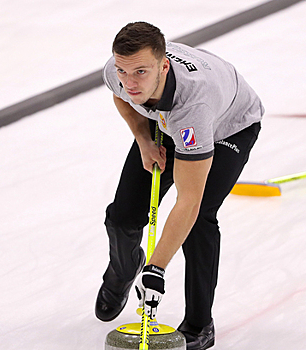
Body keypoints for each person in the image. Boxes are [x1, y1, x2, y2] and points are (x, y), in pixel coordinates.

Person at [95, 21, 264, 350]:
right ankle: (123, 268)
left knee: (200, 219)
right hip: (166, 121)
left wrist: (157, 268)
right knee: (124, 216)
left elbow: (189, 200)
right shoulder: (122, 72)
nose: (129, 82)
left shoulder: (194, 107)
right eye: (123, 72)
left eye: (140, 73)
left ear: (163, 65)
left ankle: (200, 324)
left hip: (227, 128)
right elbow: (121, 96)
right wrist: (144, 140)